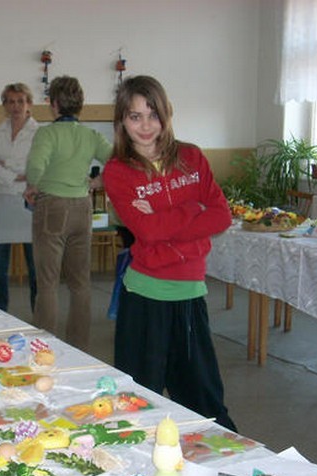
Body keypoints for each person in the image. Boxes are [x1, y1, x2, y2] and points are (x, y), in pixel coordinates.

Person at [102, 75, 237, 431]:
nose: (146, 126)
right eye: (135, 116)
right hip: (144, 297)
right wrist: (193, 209)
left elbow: (221, 216)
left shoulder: (191, 157)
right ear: (122, 121)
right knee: (137, 405)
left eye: (153, 115)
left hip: (190, 295)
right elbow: (146, 231)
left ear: (166, 114)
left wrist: (165, 219)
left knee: (206, 404)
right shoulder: (117, 171)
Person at [24, 76, 112, 351]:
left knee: (48, 282)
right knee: (80, 283)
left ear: (54, 104)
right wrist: (97, 182)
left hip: (52, 207)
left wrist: (32, 186)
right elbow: (118, 162)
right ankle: (79, 347)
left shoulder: (47, 134)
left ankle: (43, 348)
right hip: (82, 207)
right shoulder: (91, 135)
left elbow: (35, 169)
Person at [0, 83, 38, 312]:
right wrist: (17, 175)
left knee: (36, 267)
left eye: (20, 101)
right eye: (10, 101)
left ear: (29, 104)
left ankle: (41, 314)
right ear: (4, 105)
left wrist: (6, 165)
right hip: (1, 204)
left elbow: (38, 167)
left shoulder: (41, 133)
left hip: (30, 202)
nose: (16, 106)